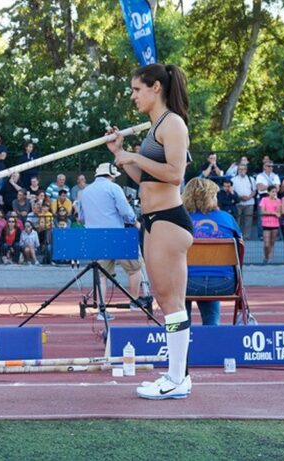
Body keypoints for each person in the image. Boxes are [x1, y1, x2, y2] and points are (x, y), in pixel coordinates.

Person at [106, 63, 194, 399]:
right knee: (166, 300)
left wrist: (135, 157)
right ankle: (177, 376)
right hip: (154, 219)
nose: (133, 96)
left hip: (169, 219)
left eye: (137, 90)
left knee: (171, 302)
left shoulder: (172, 123)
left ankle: (175, 380)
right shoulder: (154, 126)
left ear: (155, 87)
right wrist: (121, 155)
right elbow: (145, 180)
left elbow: (174, 174)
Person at [78, 162, 143, 313]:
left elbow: (81, 217)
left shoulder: (85, 192)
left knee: (102, 275)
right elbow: (125, 211)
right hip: (116, 234)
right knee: (134, 269)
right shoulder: (114, 188)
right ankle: (134, 301)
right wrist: (135, 222)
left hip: (95, 237)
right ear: (111, 175)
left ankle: (102, 310)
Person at [181, 178, 242, 326]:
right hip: (224, 284)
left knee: (178, 292)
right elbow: (240, 245)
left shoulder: (180, 220)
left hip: (187, 283)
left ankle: (181, 331)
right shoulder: (227, 219)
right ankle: (213, 330)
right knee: (213, 273)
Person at [230, 164, 255, 238]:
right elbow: (232, 191)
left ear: (246, 170)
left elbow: (254, 190)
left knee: (248, 220)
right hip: (238, 203)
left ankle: (246, 236)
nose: (241, 171)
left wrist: (249, 197)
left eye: (243, 169)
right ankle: (237, 235)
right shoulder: (233, 180)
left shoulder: (251, 179)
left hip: (249, 202)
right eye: (240, 169)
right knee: (237, 219)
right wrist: (240, 197)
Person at [259, 185, 281, 264]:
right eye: (272, 192)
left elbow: (279, 212)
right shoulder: (264, 199)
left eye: (275, 192)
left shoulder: (278, 200)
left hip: (275, 224)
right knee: (266, 243)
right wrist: (273, 213)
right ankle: (266, 257)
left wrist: (277, 202)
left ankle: (270, 260)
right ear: (268, 192)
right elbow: (263, 212)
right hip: (266, 223)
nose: (274, 193)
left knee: (272, 242)